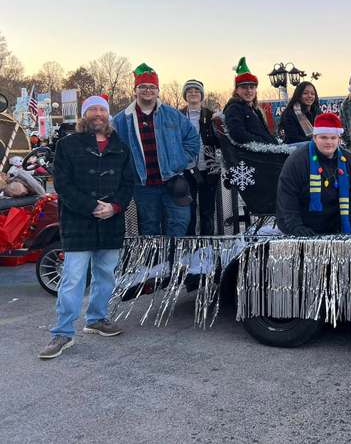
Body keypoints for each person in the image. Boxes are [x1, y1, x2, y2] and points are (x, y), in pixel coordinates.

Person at [39, 95, 135, 359]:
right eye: (92, 109)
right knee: (73, 279)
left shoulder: (121, 147)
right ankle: (62, 333)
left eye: (101, 109)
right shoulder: (68, 145)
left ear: (108, 115)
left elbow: (129, 183)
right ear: (84, 115)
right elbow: (63, 184)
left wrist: (114, 207)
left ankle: (96, 318)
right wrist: (92, 206)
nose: (97, 114)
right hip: (78, 221)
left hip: (110, 223)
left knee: (106, 275)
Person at [112, 63, 199, 236]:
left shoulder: (172, 115)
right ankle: (155, 262)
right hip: (144, 185)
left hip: (172, 181)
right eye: (143, 87)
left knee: (179, 222)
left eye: (152, 87)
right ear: (135, 90)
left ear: (158, 90)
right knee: (149, 227)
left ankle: (174, 260)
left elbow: (192, 138)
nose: (147, 90)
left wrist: (180, 160)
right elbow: (115, 151)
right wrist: (128, 172)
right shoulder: (122, 120)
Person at [276, 113, 351, 235]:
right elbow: (287, 195)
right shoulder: (298, 160)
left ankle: (350, 246)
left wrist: (347, 213)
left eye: (333, 138)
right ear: (314, 138)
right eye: (323, 137)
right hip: (305, 214)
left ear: (339, 139)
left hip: (334, 213)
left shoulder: (347, 159)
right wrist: (296, 226)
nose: (329, 142)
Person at [180, 78, 221, 235]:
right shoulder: (178, 116)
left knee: (207, 210)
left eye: (196, 90)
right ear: (185, 95)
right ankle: (189, 246)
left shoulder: (211, 116)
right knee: (188, 211)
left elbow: (219, 142)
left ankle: (207, 246)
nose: (193, 93)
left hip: (208, 170)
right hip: (186, 170)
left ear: (202, 95)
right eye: (189, 91)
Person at [223, 57, 276, 145]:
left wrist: (275, 143)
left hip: (269, 149)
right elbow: (238, 135)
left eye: (252, 87)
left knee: (304, 147)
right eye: (244, 87)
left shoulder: (255, 109)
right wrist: (266, 143)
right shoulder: (234, 108)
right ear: (236, 90)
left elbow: (265, 133)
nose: (249, 91)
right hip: (256, 155)